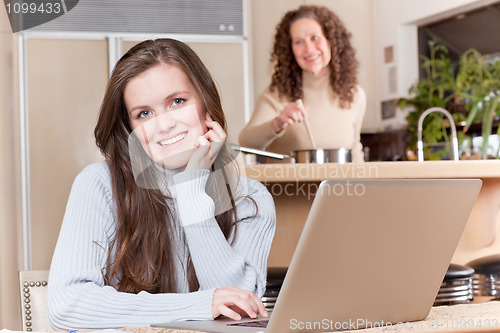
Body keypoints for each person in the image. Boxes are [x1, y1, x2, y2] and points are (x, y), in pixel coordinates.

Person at [48, 38, 276, 330]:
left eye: (177, 102)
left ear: (206, 104)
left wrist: (192, 192)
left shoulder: (250, 199)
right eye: (144, 113)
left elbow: (240, 311)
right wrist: (199, 305)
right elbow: (68, 305)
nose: (164, 125)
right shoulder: (98, 185)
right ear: (130, 130)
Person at [239, 5, 366, 163]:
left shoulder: (354, 94)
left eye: (314, 38)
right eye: (298, 42)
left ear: (331, 41)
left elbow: (355, 150)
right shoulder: (277, 94)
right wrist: (278, 123)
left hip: (341, 188)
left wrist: (364, 185)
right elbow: (246, 142)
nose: (308, 49)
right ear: (290, 49)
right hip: (287, 188)